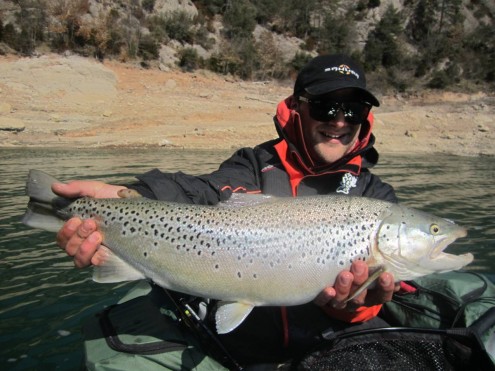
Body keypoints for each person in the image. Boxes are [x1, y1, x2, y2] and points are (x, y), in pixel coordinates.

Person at [53, 54, 399, 365]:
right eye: (326, 107)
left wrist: (354, 306)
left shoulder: (376, 196)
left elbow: (376, 296)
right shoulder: (251, 164)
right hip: (238, 351)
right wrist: (126, 196)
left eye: (354, 110)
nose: (340, 122)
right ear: (297, 106)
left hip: (328, 353)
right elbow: (198, 191)